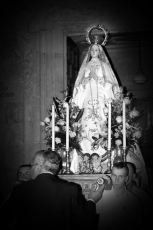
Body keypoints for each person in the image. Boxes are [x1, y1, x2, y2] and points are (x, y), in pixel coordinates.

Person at [1, 149, 105, 230]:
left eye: (31, 165)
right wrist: (92, 200)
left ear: (38, 166)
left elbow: (6, 216)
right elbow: (86, 224)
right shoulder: (71, 189)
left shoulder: (20, 189)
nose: (30, 168)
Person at [70, 26, 120, 173]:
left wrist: (98, 79)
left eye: (96, 50)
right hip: (87, 101)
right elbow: (78, 86)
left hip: (101, 100)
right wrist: (85, 82)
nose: (94, 52)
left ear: (100, 52)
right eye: (92, 50)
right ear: (89, 51)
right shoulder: (85, 67)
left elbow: (112, 84)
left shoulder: (104, 66)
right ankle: (83, 157)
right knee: (85, 124)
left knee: (102, 123)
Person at [96, 162, 144, 230]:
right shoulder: (102, 194)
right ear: (111, 176)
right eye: (114, 175)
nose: (116, 180)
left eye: (121, 176)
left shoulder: (135, 202)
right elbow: (92, 211)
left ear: (126, 178)